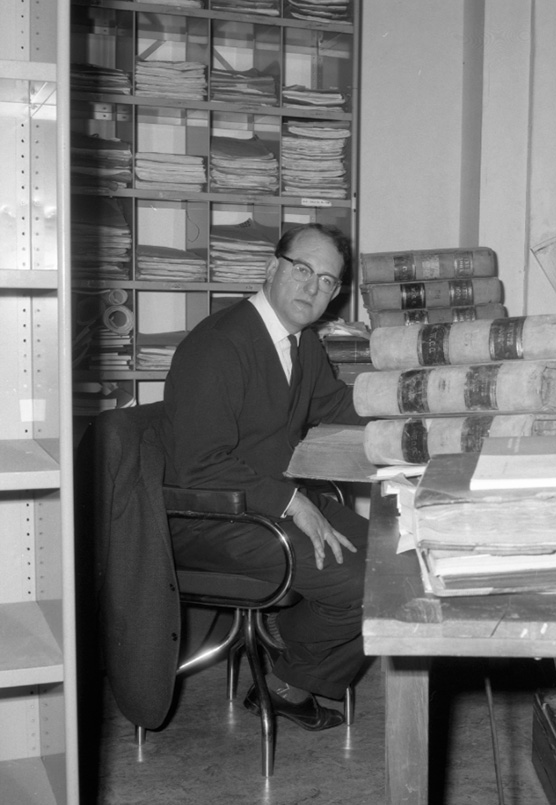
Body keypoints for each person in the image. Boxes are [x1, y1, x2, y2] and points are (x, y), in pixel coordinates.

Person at [160, 223, 369, 731]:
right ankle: (286, 679)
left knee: (400, 560)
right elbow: (198, 463)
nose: (314, 288)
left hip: (267, 506)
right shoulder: (219, 345)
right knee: (365, 582)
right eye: (303, 270)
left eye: (328, 281)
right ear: (273, 269)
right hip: (212, 517)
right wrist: (295, 503)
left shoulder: (302, 344)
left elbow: (339, 407)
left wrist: (412, 418)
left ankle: (285, 644)